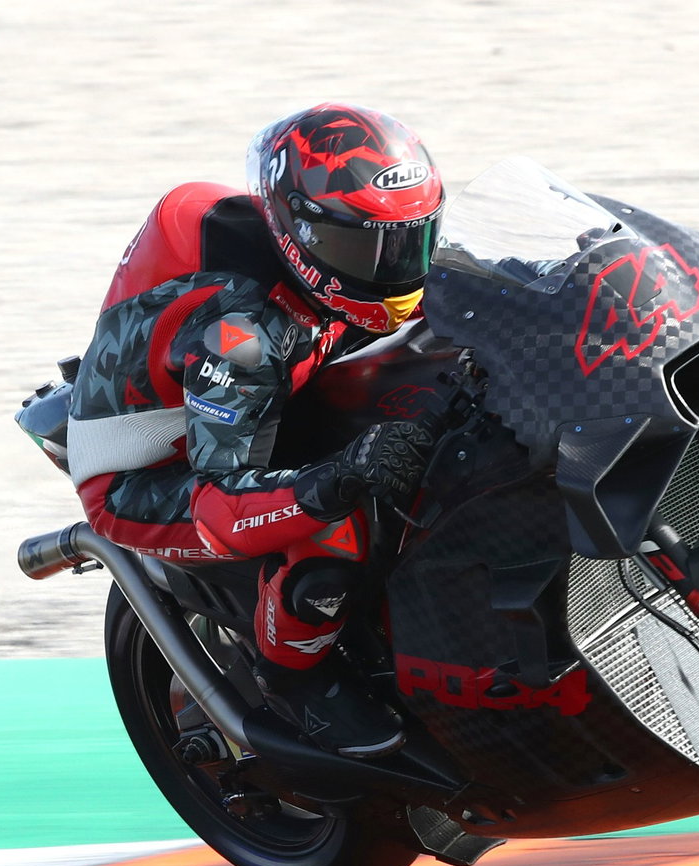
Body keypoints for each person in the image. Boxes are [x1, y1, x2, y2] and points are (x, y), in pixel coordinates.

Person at [64, 103, 445, 759]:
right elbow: (222, 500)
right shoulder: (243, 338)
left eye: (414, 238)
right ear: (304, 237)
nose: (398, 266)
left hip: (263, 394)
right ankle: (294, 676)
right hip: (158, 470)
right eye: (369, 248)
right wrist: (338, 477)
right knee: (336, 521)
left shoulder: (317, 267)